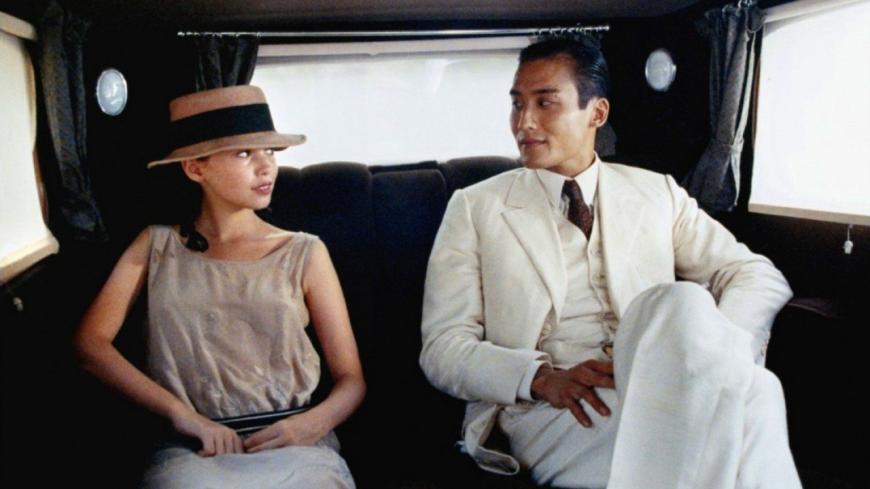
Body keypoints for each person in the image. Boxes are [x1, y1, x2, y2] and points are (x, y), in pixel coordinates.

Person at [419, 36, 802, 489]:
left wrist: (717, 360)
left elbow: (758, 276)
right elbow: (442, 347)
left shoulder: (657, 193)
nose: (524, 122)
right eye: (517, 104)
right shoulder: (475, 207)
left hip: (662, 381)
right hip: (552, 408)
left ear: (597, 114)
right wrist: (539, 377)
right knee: (755, 397)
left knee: (683, 304)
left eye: (545, 103)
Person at [74, 85, 365, 488]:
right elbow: (90, 345)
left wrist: (311, 424)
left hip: (295, 444)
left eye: (270, 152)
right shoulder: (156, 246)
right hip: (193, 450)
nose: (266, 167)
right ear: (195, 169)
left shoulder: (304, 251)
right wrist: (182, 415)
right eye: (244, 154)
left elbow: (351, 378)